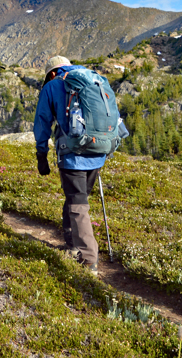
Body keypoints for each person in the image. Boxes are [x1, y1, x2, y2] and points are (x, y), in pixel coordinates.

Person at [33, 56, 124, 276]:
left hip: (73, 153)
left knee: (77, 204)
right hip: (99, 151)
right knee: (77, 199)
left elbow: (43, 121)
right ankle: (72, 246)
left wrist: (41, 154)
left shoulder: (53, 86)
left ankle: (89, 259)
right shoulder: (95, 80)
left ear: (52, 73)